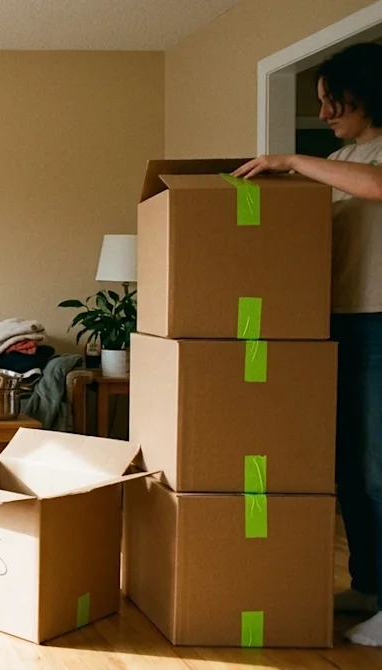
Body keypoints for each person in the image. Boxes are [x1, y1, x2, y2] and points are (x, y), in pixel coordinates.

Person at [234, 41, 382, 647]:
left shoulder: (358, 163)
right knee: (347, 467)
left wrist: (293, 161)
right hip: (338, 324)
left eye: (331, 101)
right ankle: (369, 584)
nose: (323, 113)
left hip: (380, 323)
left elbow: (375, 185)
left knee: (377, 470)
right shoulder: (343, 154)